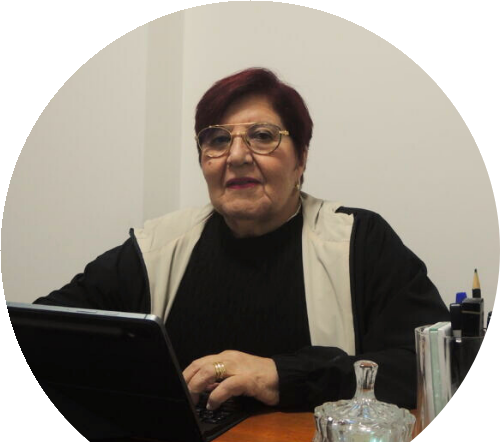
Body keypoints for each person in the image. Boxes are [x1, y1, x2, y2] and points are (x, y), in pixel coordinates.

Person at [34, 67, 449, 412]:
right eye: (217, 140)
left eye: (263, 136)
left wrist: (281, 375)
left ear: (301, 158)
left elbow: (432, 368)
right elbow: (44, 333)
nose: (236, 156)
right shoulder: (157, 247)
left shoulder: (358, 242)